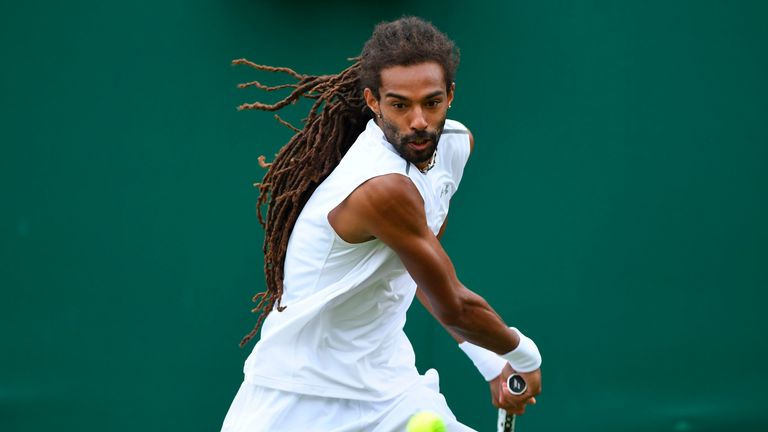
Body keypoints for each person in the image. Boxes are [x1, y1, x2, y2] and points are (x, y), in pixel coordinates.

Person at [222, 16, 542, 431]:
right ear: (373, 101)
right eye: (399, 104)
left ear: (450, 95)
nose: (419, 121)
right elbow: (454, 305)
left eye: (431, 102)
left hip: (388, 389)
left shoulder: (454, 147)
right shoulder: (383, 187)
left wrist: (491, 361)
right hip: (298, 402)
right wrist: (523, 356)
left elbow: (424, 279)